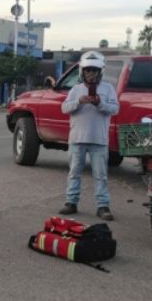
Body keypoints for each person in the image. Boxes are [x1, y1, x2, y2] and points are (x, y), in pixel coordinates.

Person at [59, 51, 120, 221]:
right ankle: (71, 202)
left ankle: (103, 206)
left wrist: (100, 103)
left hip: (99, 140)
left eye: (94, 71)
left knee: (101, 175)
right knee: (74, 173)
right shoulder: (76, 89)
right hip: (77, 139)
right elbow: (64, 108)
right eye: (87, 70)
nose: (90, 74)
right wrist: (79, 101)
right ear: (82, 71)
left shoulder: (108, 88)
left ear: (100, 72)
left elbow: (115, 109)